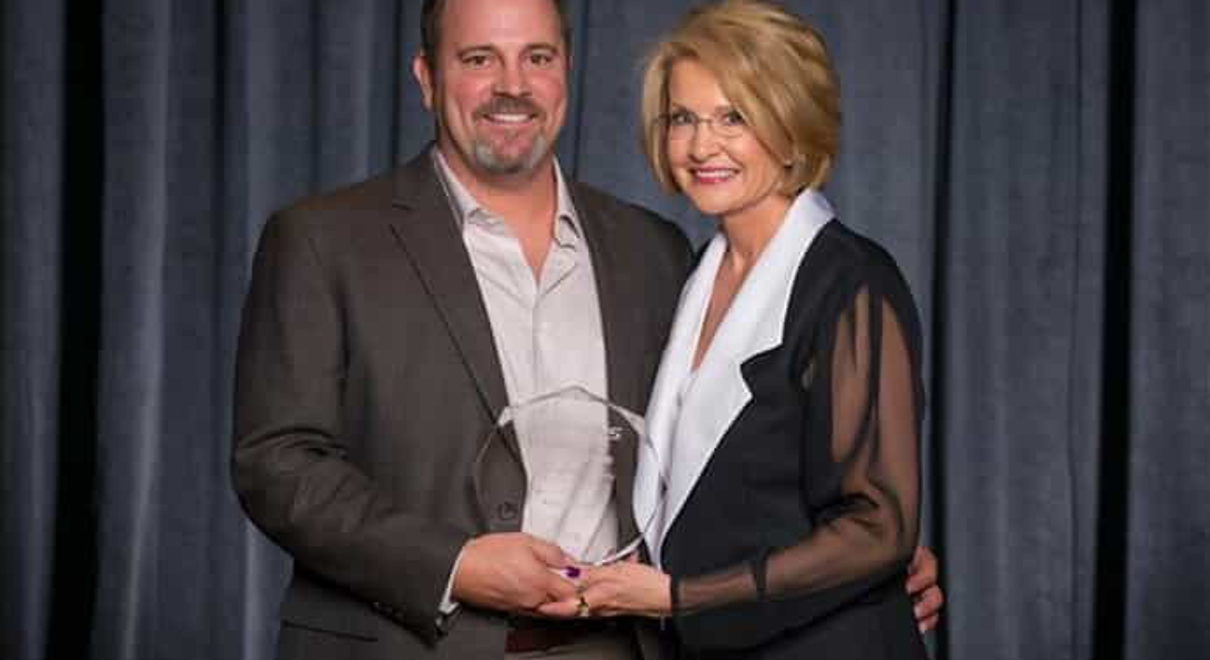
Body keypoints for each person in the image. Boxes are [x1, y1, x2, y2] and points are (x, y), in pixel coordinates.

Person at [231, 0, 940, 658]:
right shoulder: (324, 239)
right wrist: (455, 564)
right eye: (479, 59)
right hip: (410, 644)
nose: (513, 85)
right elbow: (277, 461)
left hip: (623, 644)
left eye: (537, 57)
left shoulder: (654, 251)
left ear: (567, 69)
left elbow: (748, 455)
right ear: (425, 76)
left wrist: (868, 560)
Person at [540, 2, 935, 659]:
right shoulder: (694, 275)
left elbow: (878, 527)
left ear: (790, 123)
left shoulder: (850, 281)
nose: (701, 146)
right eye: (683, 119)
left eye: (734, 118)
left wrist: (676, 596)